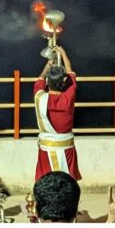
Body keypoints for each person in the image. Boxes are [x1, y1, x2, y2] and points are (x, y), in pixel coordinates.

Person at [33, 45, 80, 184]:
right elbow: (71, 73)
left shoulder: (39, 98)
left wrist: (49, 64)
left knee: (45, 181)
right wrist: (63, 53)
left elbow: (39, 80)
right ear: (64, 82)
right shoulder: (68, 97)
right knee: (67, 181)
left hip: (46, 148)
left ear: (48, 81)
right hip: (66, 148)